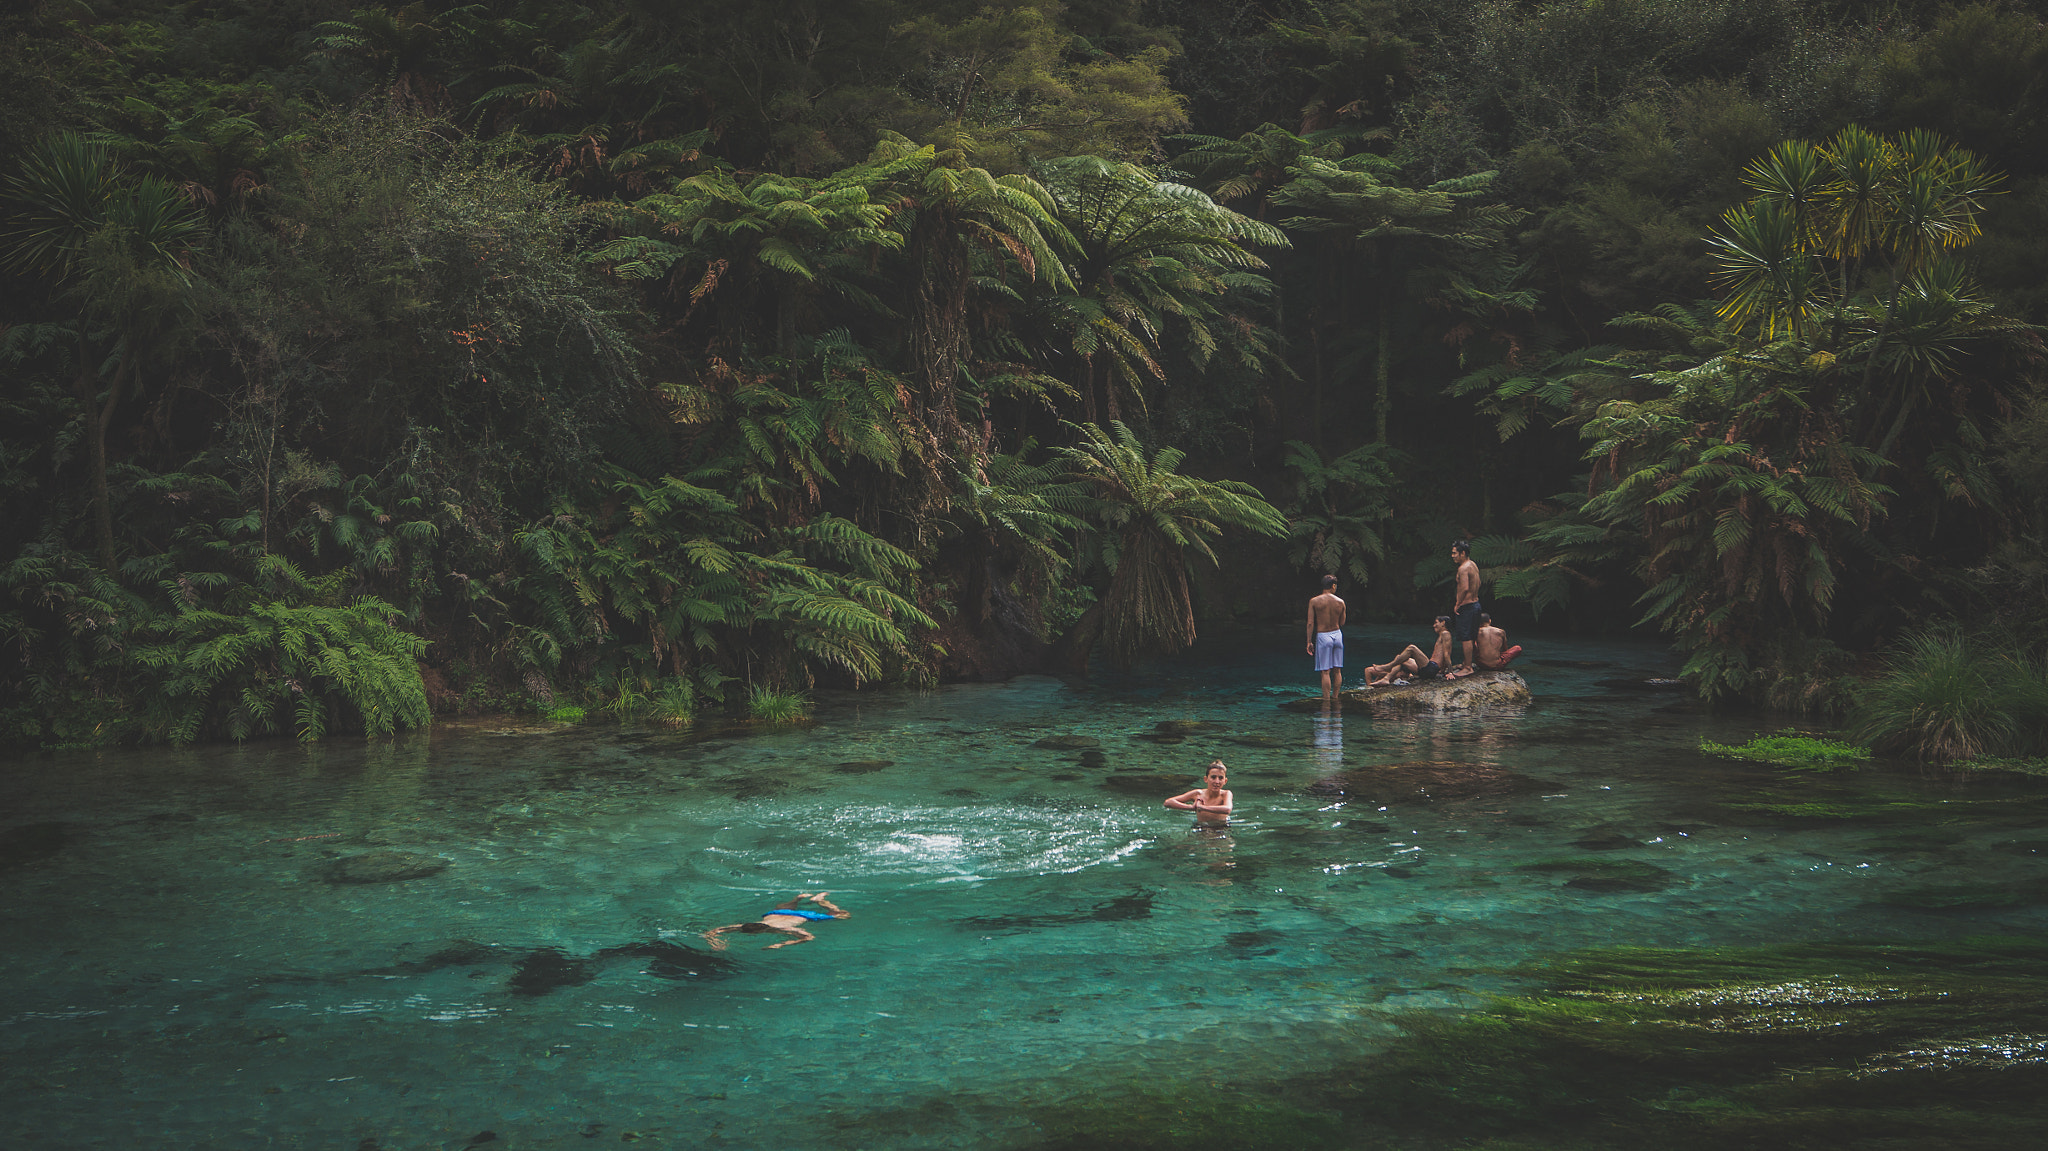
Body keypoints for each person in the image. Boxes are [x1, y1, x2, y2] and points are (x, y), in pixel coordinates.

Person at [702, 892, 850, 950]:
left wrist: (781, 944)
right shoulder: (744, 926)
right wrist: (714, 941)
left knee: (841, 914)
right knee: (784, 907)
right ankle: (797, 899)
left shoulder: (783, 930)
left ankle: (821, 900)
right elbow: (715, 931)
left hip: (803, 915)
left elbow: (809, 937)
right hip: (780, 912)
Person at [1364, 616, 1454, 686]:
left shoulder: (1445, 633)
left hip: (1432, 668)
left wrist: (1450, 672)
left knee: (1412, 648)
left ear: (1443, 623)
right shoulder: (1442, 635)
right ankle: (1386, 679)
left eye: (1436, 623)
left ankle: (1387, 667)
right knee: (1400, 658)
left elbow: (1447, 654)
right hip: (1429, 670)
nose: (1434, 625)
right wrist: (1442, 670)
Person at [1305, 575, 1347, 700]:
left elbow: (1310, 623)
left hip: (1323, 635)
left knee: (1325, 671)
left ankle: (1326, 700)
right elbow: (1342, 622)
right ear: (1333, 586)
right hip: (1337, 635)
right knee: (1337, 670)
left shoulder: (1314, 601)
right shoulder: (1340, 602)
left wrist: (1309, 641)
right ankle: (1335, 697)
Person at [1448, 540, 1482, 679]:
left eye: (1455, 553)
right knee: (1472, 636)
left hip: (1467, 606)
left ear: (1463, 553)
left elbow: (1464, 587)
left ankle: (1468, 667)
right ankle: (1467, 662)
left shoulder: (1463, 568)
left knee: (1466, 637)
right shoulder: (1472, 564)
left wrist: (1458, 603)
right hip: (1476, 604)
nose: (1453, 556)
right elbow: (1478, 583)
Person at [1164, 760, 1234, 825]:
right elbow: (1168, 802)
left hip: (1221, 829)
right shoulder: (1198, 794)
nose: (1217, 781)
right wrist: (1191, 807)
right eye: (1213, 777)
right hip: (1201, 828)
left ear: (1225, 781)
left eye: (1221, 778)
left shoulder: (1226, 794)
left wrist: (1202, 807)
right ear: (1206, 779)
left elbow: (1227, 809)